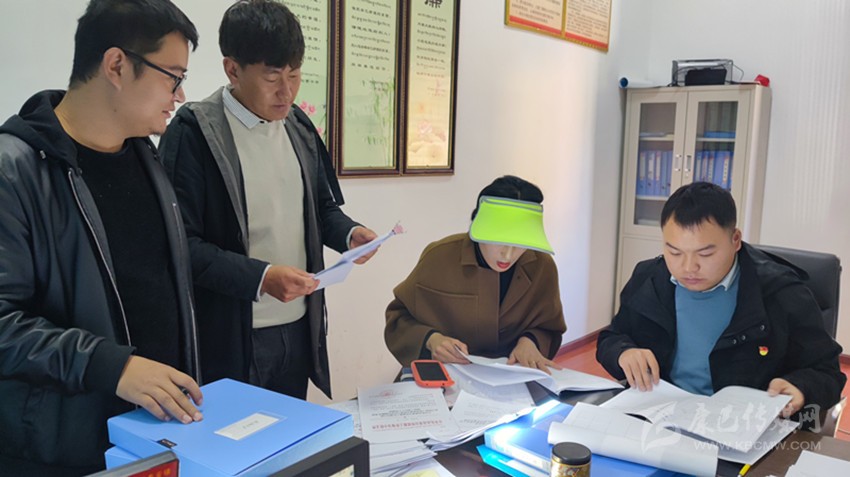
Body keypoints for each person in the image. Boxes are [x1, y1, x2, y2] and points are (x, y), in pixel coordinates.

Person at [0, 1, 203, 475]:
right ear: (116, 65)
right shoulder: (15, 170)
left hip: (156, 435)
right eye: (173, 77)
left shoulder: (146, 157)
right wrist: (112, 367)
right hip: (64, 449)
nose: (180, 94)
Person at [159, 0, 377, 400]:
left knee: (292, 438)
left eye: (294, 75)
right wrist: (261, 277)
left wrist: (350, 235)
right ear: (232, 69)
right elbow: (180, 246)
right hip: (232, 336)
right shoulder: (195, 133)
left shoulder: (297, 126)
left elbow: (320, 209)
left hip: (298, 327)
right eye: (272, 76)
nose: (287, 91)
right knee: (235, 438)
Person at [597, 182, 845, 425]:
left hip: (740, 426)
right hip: (660, 418)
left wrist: (800, 388)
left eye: (705, 254)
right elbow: (612, 337)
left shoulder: (780, 292)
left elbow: (827, 372)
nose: (688, 267)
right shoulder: (649, 278)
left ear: (735, 240)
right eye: (674, 252)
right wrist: (623, 352)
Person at [385, 176, 567, 372]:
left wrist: (530, 342)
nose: (508, 254)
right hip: (444, 374)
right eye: (498, 241)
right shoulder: (439, 257)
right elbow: (399, 318)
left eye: (520, 244)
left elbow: (549, 327)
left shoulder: (541, 266)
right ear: (477, 225)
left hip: (511, 376)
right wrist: (432, 340)